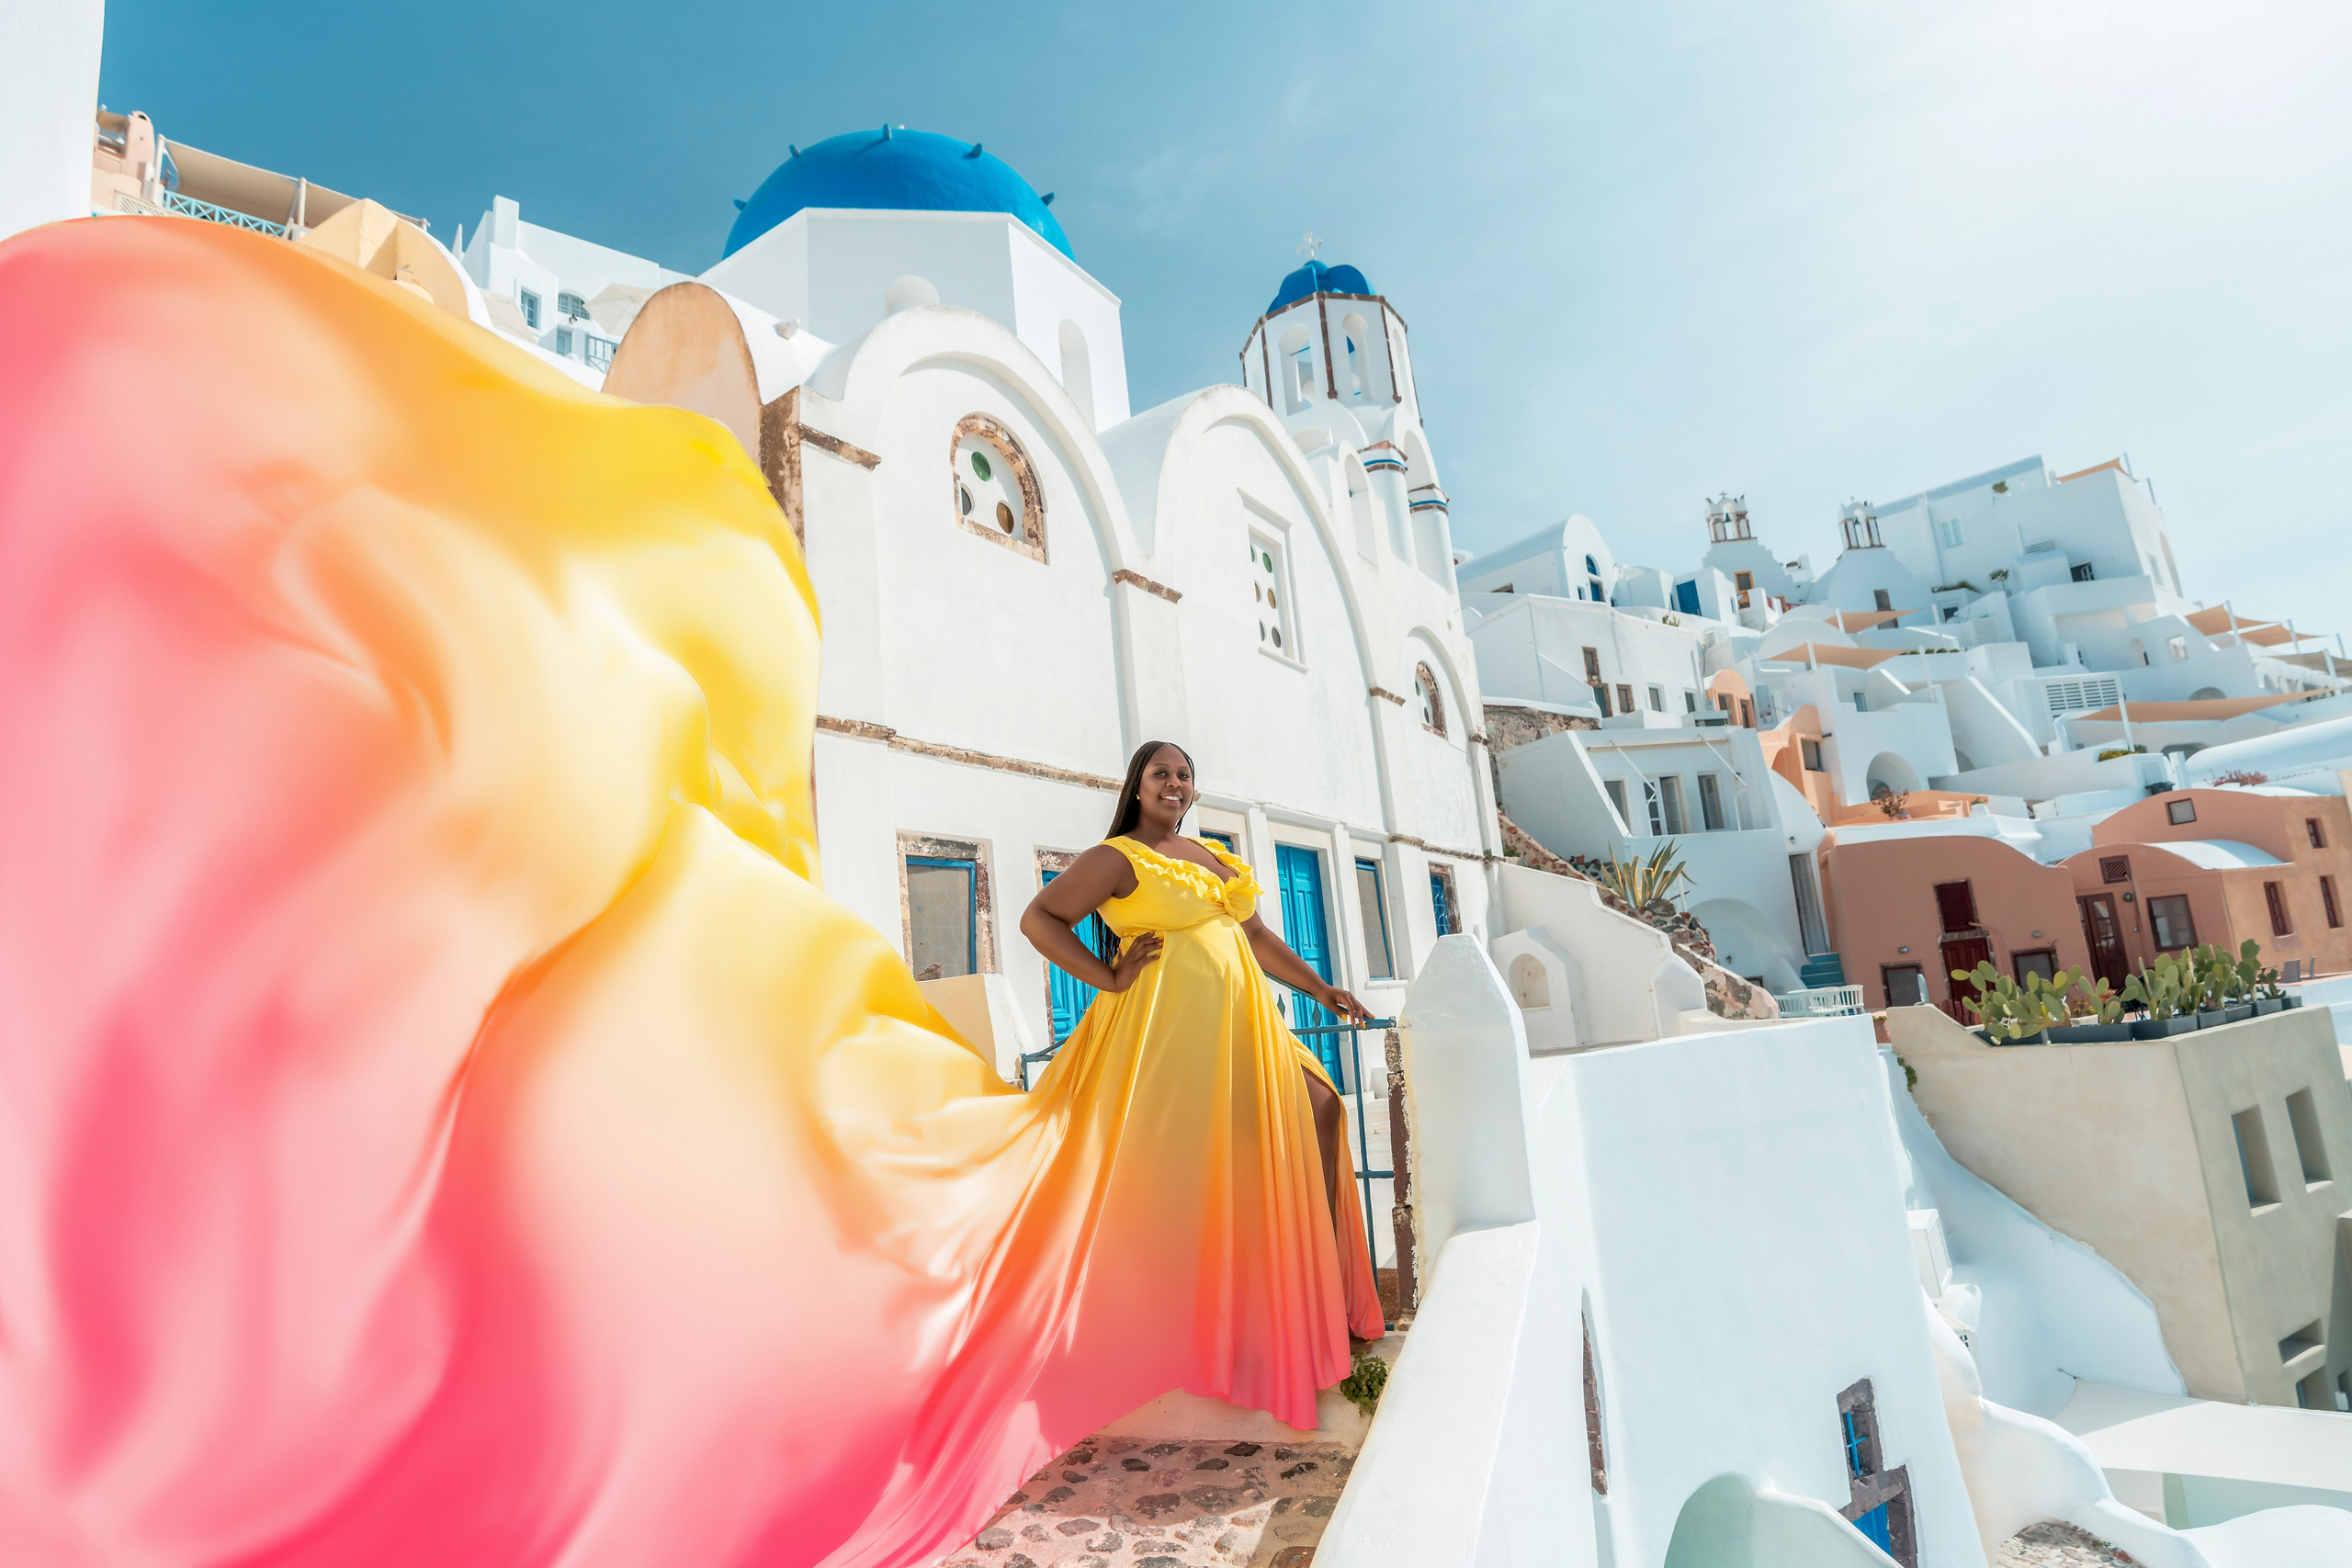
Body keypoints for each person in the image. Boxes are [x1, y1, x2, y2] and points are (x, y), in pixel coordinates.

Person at [1021, 741, 1374, 1262]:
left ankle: (1309, 1267)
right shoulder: (1116, 858)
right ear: (1137, 786)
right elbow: (1039, 919)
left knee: (1318, 1104)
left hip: (1243, 1023)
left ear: (1193, 791)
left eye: (1183, 775)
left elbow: (1254, 936)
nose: (1173, 783)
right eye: (1160, 773)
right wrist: (1109, 978)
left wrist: (1320, 987)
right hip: (1169, 1027)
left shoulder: (1211, 857)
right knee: (1193, 1158)